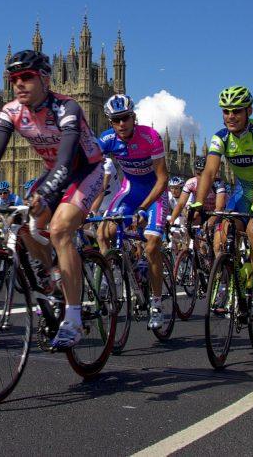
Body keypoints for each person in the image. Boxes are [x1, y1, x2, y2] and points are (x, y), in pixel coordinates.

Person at [0, 49, 104, 347]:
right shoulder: (11, 111)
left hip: (86, 170)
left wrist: (46, 192)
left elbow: (67, 161)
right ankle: (55, 274)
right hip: (54, 172)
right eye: (14, 79)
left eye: (26, 77)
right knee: (22, 225)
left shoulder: (68, 108)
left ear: (44, 79)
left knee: (60, 229)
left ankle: (74, 317)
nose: (19, 84)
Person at [188, 85, 253, 320]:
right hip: (242, 191)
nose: (231, 116)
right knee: (223, 231)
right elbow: (209, 172)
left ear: (248, 111)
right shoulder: (221, 137)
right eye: (226, 111)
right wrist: (198, 204)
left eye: (236, 111)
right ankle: (227, 280)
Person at [98, 94, 170, 331]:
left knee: (151, 244)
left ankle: (157, 304)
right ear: (110, 121)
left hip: (154, 193)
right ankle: (112, 276)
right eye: (116, 120)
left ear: (133, 117)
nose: (121, 124)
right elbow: (86, 166)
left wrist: (142, 208)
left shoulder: (150, 137)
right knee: (104, 230)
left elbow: (162, 180)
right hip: (130, 190)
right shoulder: (107, 140)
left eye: (126, 118)